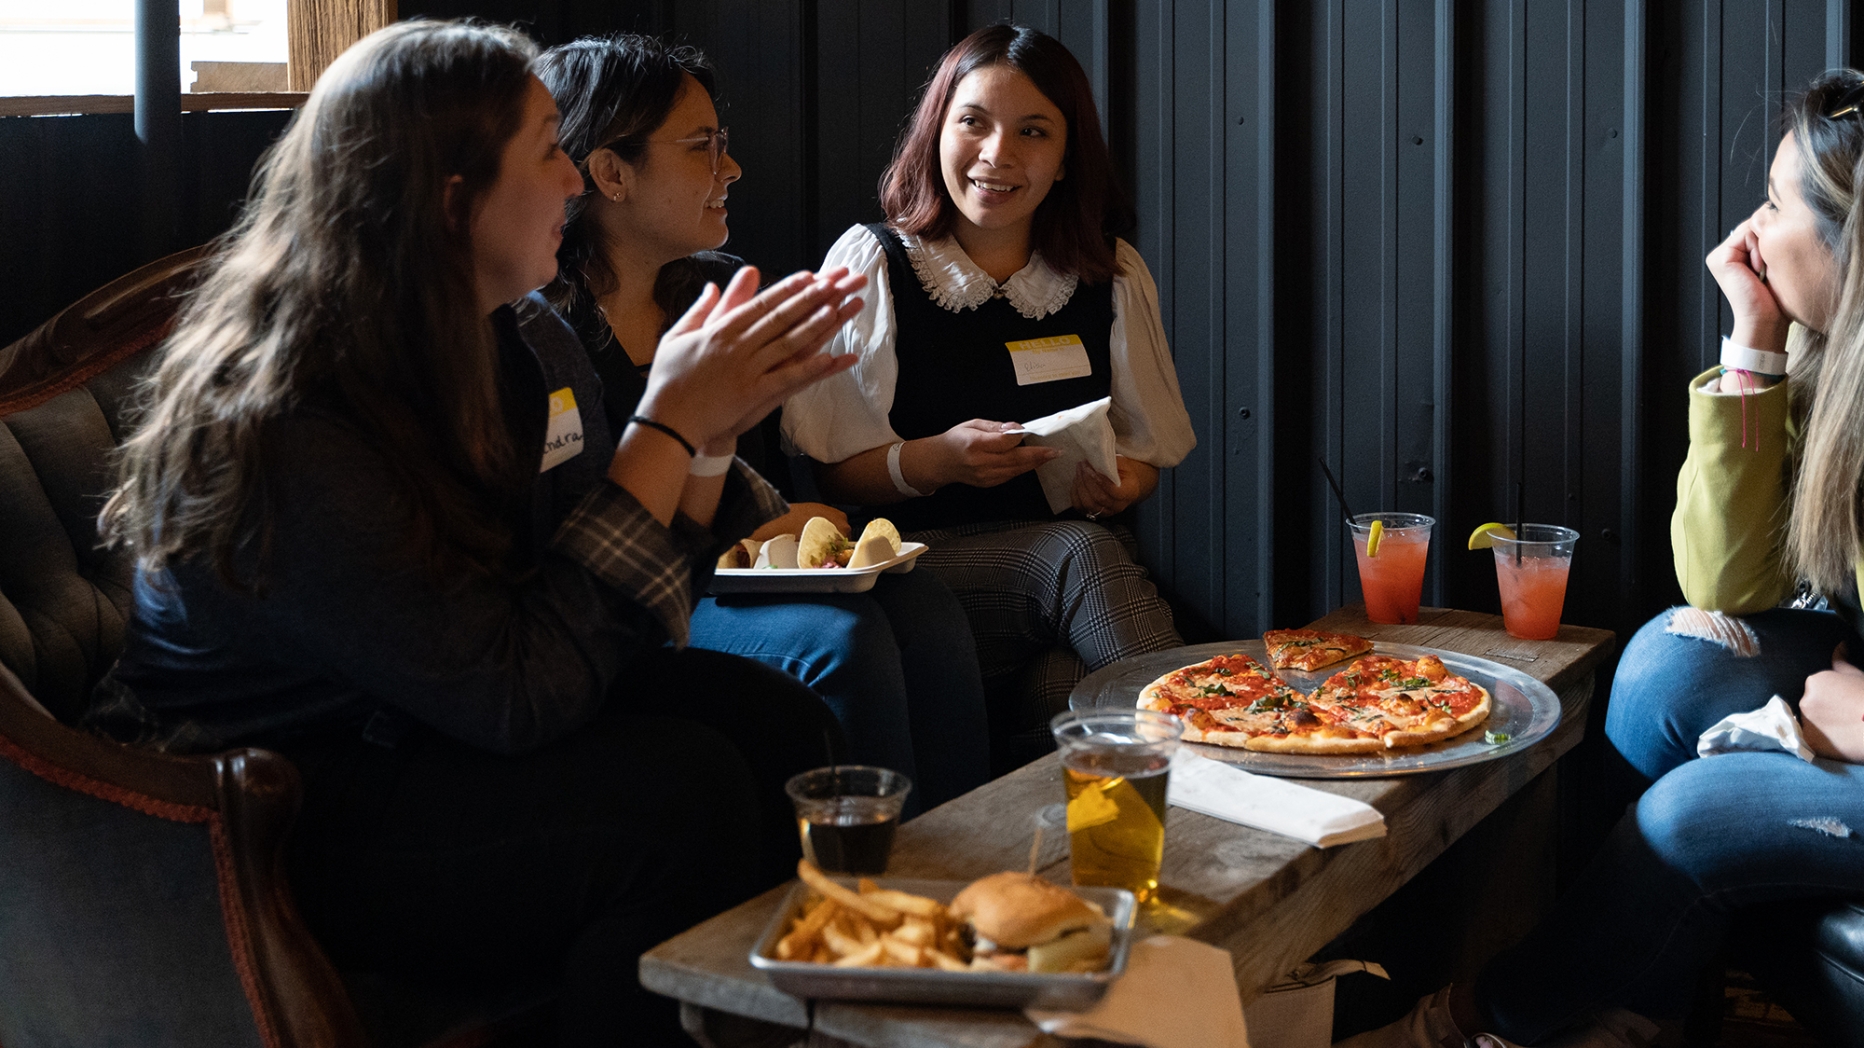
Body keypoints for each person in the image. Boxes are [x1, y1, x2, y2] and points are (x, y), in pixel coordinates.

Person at [84, 20, 869, 1044]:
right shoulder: (282, 423)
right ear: (453, 198)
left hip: (419, 714)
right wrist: (667, 421)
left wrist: (710, 435)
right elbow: (516, 690)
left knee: (780, 729)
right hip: (263, 801)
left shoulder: (517, 334)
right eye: (549, 148)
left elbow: (601, 581)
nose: (575, 182)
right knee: (681, 803)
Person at [1338, 70, 1864, 1048]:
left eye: (1776, 200)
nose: (1749, 226)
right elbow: (1726, 586)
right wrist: (1752, 342)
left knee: (1686, 816)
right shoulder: (1841, 382)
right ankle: (1628, 1013)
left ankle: (1469, 1019)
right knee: (1671, 658)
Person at [531, 34, 992, 811]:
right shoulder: (543, 333)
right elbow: (589, 538)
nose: (731, 168)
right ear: (610, 172)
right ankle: (865, 893)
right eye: (702, 147)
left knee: (926, 606)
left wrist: (785, 522)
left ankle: (970, 859)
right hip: (630, 602)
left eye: (724, 144)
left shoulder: (718, 290)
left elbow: (757, 494)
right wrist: (764, 526)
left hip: (731, 571)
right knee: (842, 644)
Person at [781, 24, 1198, 768]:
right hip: (915, 573)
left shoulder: (1112, 276)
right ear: (936, 129)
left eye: (1033, 132)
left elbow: (1144, 458)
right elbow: (832, 477)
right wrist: (937, 461)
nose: (997, 155)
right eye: (973, 121)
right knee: (1077, 553)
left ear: (1067, 158)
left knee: (1068, 699)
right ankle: (1228, 767)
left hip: (1060, 606)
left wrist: (1116, 482)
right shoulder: (873, 265)